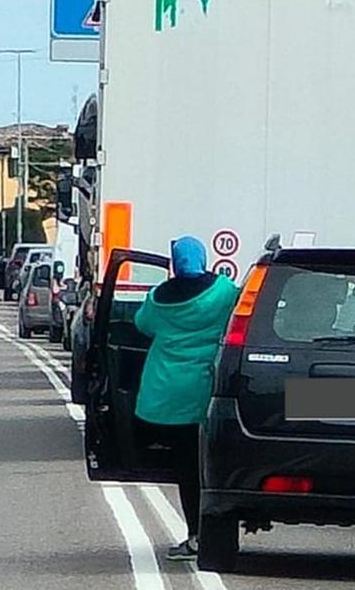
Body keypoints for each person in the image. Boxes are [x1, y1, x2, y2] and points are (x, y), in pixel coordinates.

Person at [133, 235, 239, 561]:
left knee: (185, 468)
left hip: (167, 395)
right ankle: (216, 529)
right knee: (211, 465)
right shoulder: (224, 291)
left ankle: (195, 535)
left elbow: (141, 324)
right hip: (207, 389)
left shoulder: (159, 298)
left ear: (175, 263)